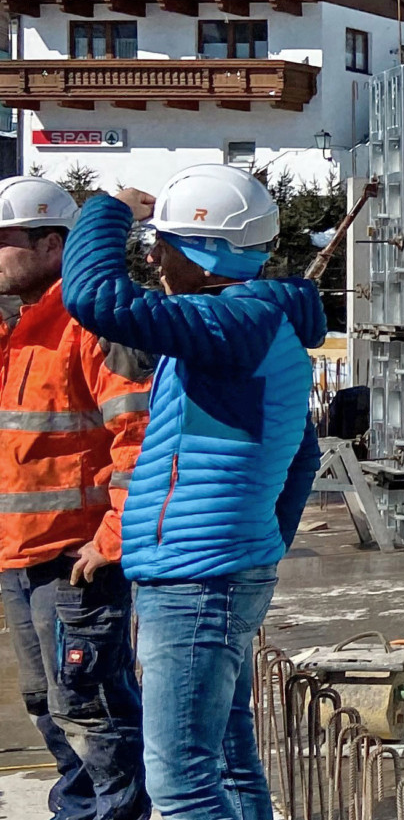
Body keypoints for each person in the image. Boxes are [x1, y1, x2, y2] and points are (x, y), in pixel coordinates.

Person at [61, 164, 326, 820]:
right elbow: (301, 458)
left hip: (197, 582)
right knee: (229, 763)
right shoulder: (250, 329)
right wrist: (257, 545)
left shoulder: (229, 324)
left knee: (182, 787)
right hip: (219, 572)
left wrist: (107, 208)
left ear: (201, 253)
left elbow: (96, 297)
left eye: (162, 245)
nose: (153, 260)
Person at [0, 176, 151, 820]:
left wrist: (111, 538)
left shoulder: (91, 324)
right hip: (18, 552)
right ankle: (78, 808)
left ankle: (116, 812)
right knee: (46, 701)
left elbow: (138, 435)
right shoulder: (13, 328)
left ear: (52, 244)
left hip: (75, 557)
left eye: (2, 242)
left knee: (91, 703)